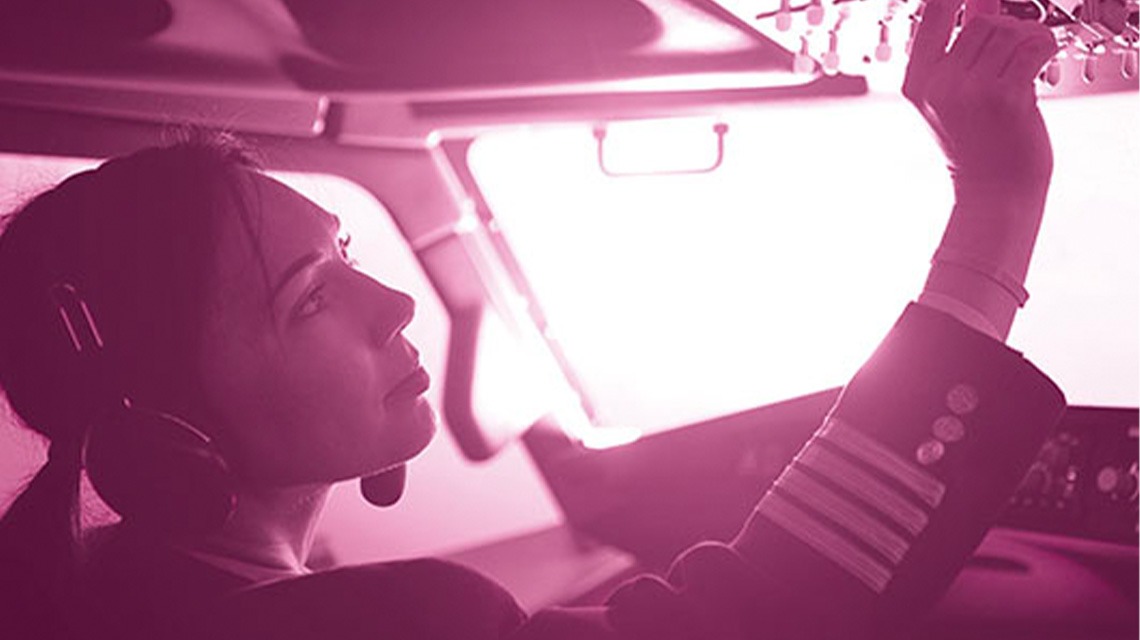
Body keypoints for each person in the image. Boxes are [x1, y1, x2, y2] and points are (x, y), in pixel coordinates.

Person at [0, 0, 1066, 637]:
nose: (397, 302)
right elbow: (769, 619)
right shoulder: (395, 624)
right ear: (164, 441)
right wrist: (999, 201)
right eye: (309, 296)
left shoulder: (100, 594)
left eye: (347, 254)